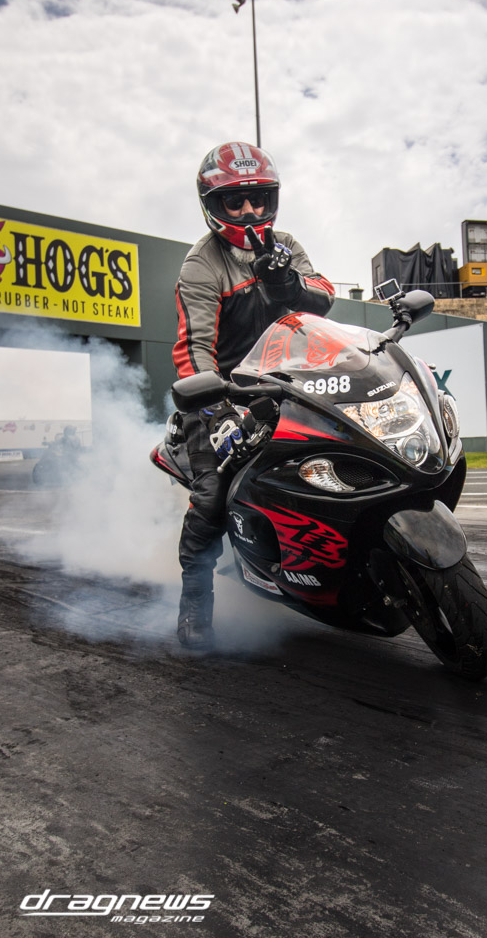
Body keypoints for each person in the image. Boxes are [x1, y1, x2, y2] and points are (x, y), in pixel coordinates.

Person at [172, 141, 335, 648]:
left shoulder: (285, 245)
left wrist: (287, 283)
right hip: (224, 391)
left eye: (258, 198)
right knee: (212, 496)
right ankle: (194, 602)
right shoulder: (202, 264)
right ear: (213, 205)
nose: (249, 210)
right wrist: (217, 410)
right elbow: (193, 349)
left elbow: (324, 299)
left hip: (292, 382)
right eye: (235, 200)